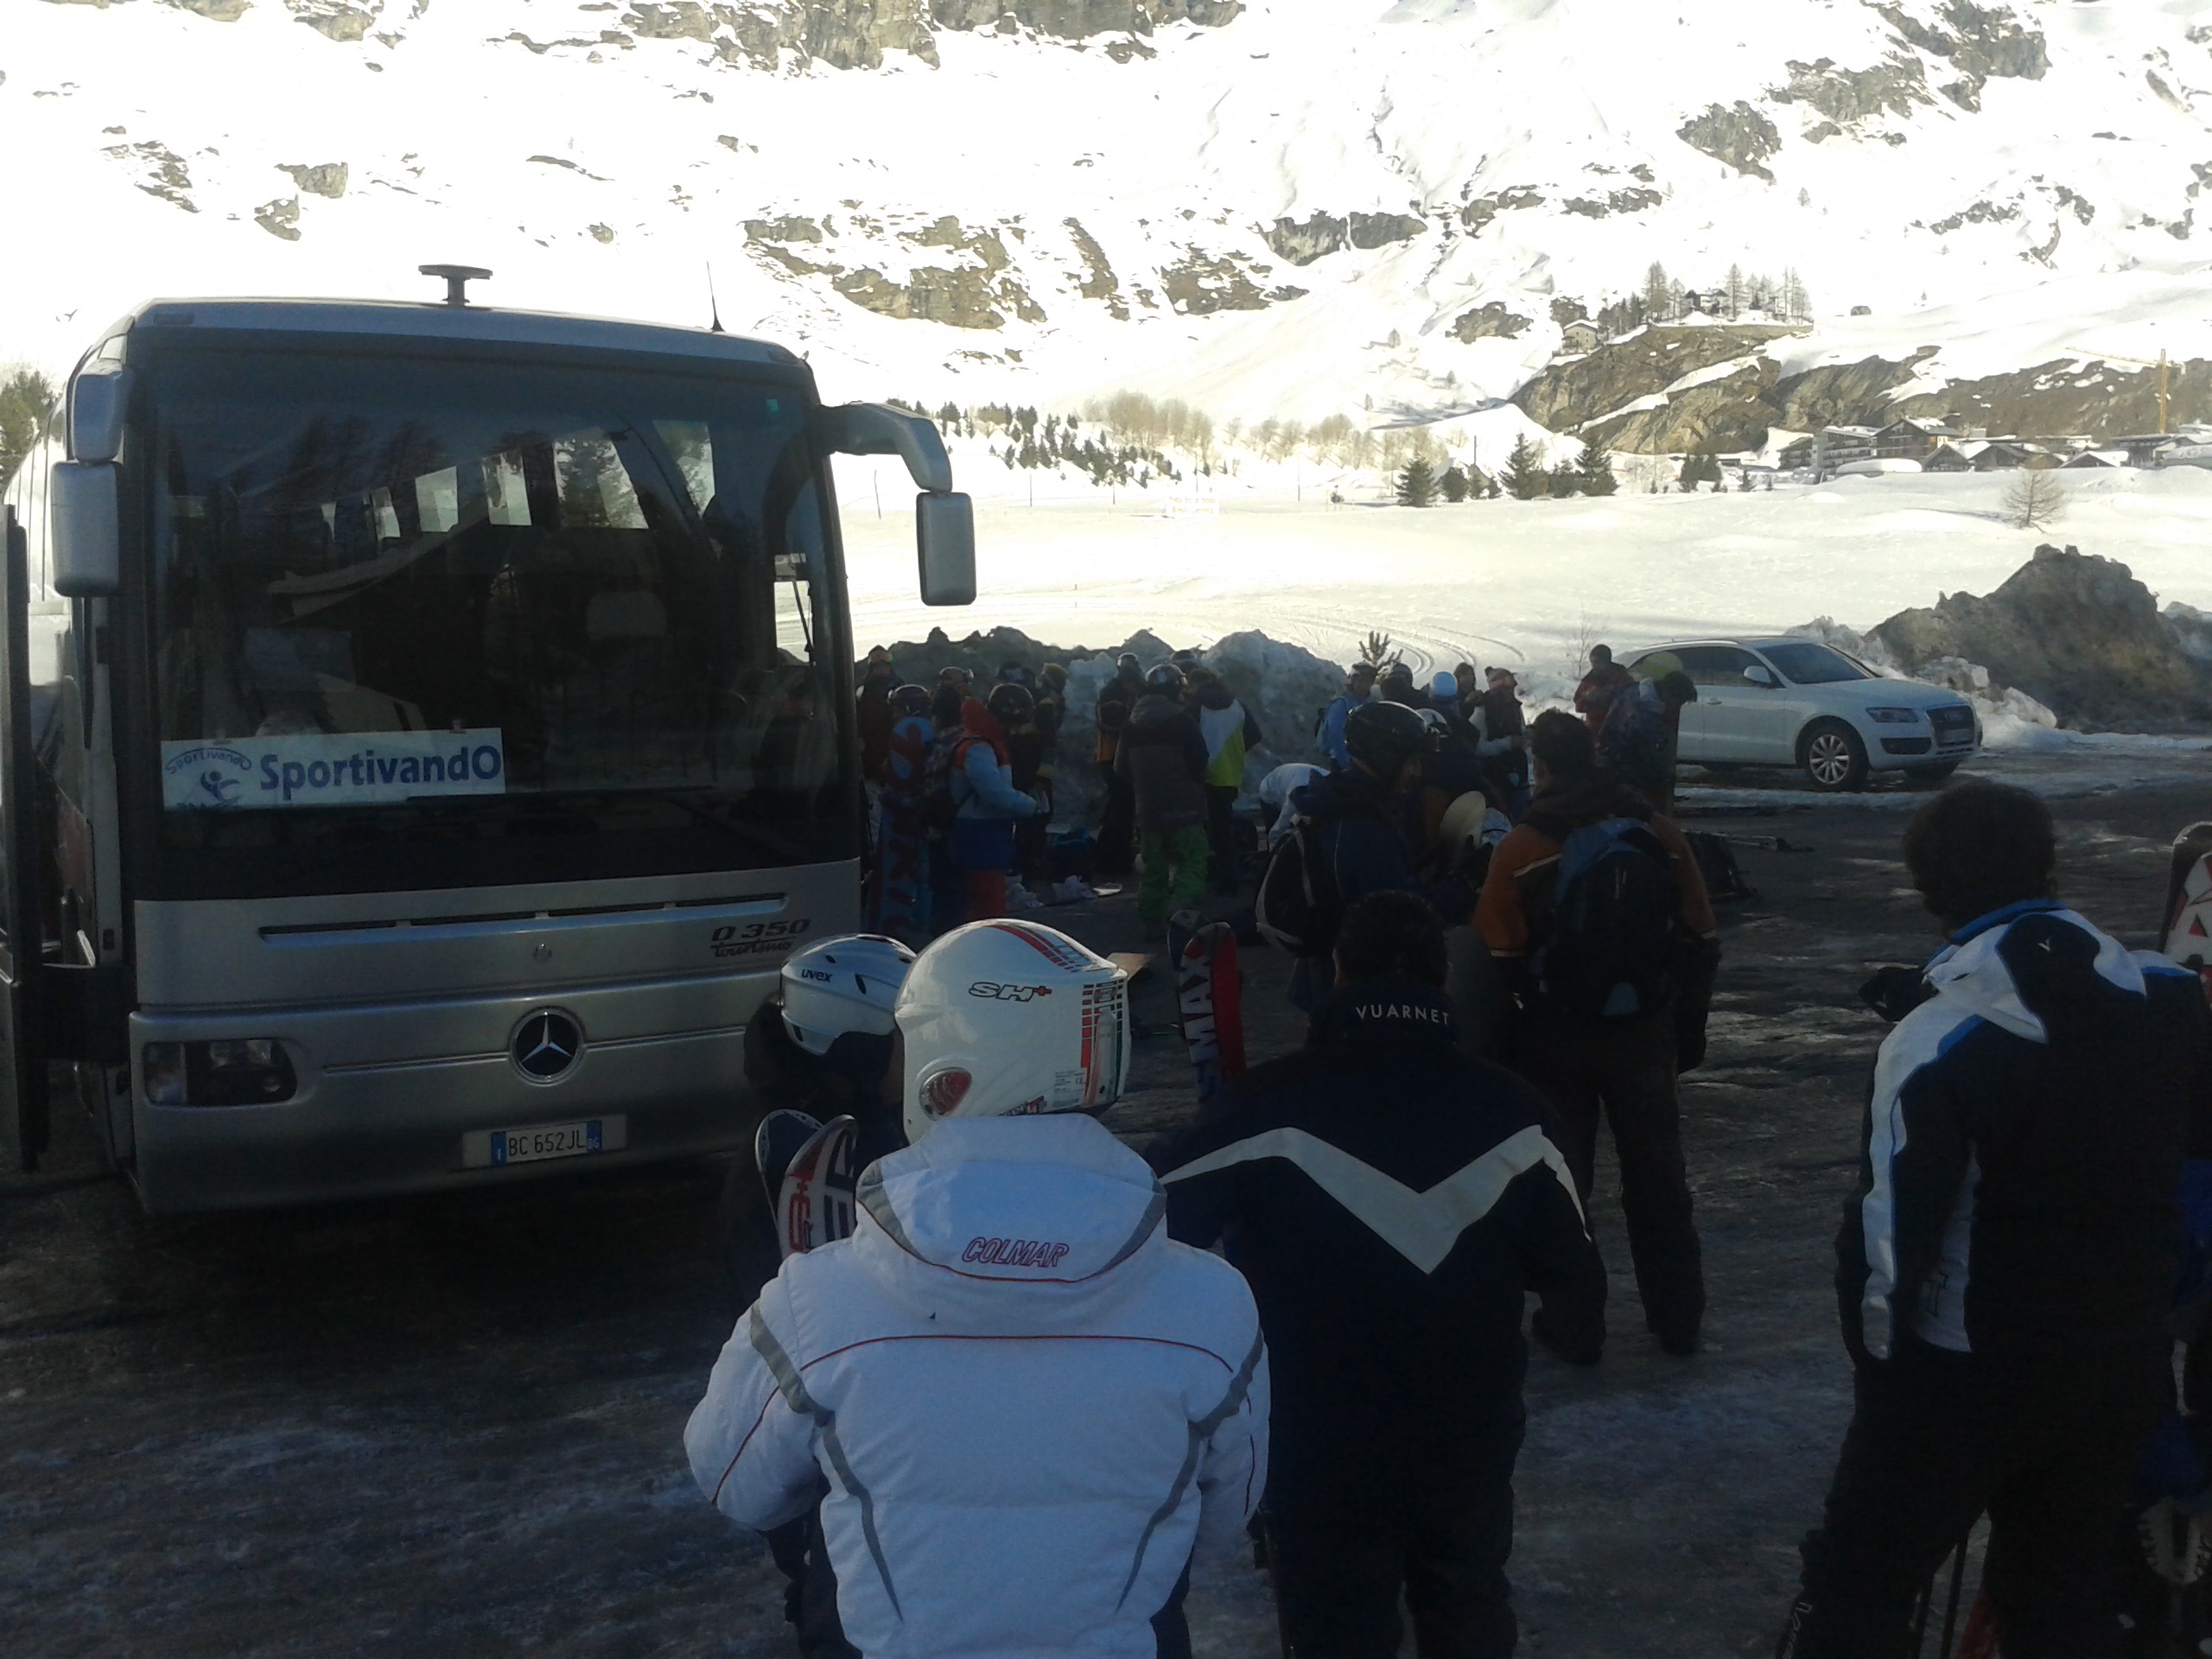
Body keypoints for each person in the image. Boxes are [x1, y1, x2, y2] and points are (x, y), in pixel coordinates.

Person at [686, 919, 1268, 1659]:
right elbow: (1221, 1517)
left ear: (946, 1071)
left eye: (903, 1044)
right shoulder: (1211, 1303)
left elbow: (733, 1482)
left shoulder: (816, 1302)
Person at [1777, 783, 2212, 1659]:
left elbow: (1888, 1248)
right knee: (2059, 1602)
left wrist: (1885, 1385)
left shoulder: (1935, 1043)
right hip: (2117, 1364)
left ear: (1927, 889)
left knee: (1859, 1592)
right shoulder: (2167, 999)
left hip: (1969, 1372)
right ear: (2046, 864)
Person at [1152, 891, 1605, 1659]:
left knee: (1335, 1622)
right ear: (1443, 980)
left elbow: (1146, 1221)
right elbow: (1572, 1271)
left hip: (1317, 1437)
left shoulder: (1267, 1107)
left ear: (1337, 971)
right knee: (1467, 1603)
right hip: (1468, 1432)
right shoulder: (1518, 1114)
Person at [1474, 710, 1719, 1356]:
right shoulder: (1656, 830)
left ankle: (1575, 1323)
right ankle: (1678, 1317)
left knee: (1564, 1180)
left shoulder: (1523, 846)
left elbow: (1497, 950)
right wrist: (1686, 1029)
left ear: (1540, 768)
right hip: (1645, 1030)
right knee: (1658, 1175)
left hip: (1555, 1036)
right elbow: (1701, 935)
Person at [718, 933, 917, 1657]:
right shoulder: (799, 1159)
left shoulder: (861, 1128)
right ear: (853, 1049)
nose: (921, 1057)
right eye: (906, 1042)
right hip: (825, 1469)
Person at [1274, 699, 1471, 1012]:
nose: (1417, 773)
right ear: (1385, 758)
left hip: (1327, 980)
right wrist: (1464, 885)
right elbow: (1405, 921)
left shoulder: (1345, 801)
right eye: (1412, 762)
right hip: (1354, 995)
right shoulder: (1362, 829)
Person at [1117, 663, 1212, 933]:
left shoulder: (1131, 725)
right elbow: (1200, 762)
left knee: (1153, 868)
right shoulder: (1182, 721)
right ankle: (1181, 912)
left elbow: (1120, 769)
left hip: (1148, 812)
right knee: (1192, 860)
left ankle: (1151, 921)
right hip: (1184, 808)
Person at [947, 684, 1044, 923]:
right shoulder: (980, 746)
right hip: (979, 832)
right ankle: (984, 943)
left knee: (983, 899)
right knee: (987, 903)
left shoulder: (982, 739)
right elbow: (994, 793)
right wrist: (1030, 805)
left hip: (982, 830)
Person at [868, 685, 937, 943]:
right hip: (928, 811)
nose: (894, 714)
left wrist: (893, 797)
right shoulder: (935, 726)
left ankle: (896, 927)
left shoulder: (909, 728)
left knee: (899, 873)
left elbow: (900, 776)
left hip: (903, 811)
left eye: (897, 708)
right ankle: (922, 923)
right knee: (926, 874)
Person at [1190, 667, 1264, 897]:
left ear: (1194, 685)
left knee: (1204, 827)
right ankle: (1228, 875)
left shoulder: (1195, 706)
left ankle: (1219, 877)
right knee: (1223, 826)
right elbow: (1255, 735)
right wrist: (1236, 750)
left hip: (1204, 773)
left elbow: (1186, 739)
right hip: (1230, 772)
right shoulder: (1237, 705)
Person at [1596, 671, 1697, 810]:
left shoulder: (1632, 688)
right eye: (1678, 702)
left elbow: (1598, 696)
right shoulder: (1645, 718)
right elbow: (1647, 759)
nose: (1677, 708)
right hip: (1623, 773)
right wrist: (1664, 777)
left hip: (1605, 760)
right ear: (1667, 694)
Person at [1094, 652, 1147, 875]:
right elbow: (1111, 723)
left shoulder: (1118, 693)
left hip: (1118, 756)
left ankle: (1115, 854)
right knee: (1121, 807)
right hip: (1112, 756)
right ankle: (1113, 857)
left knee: (1120, 806)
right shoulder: (1112, 695)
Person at [1476, 668, 1529, 819]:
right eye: (1506, 689)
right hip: (1494, 778)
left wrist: (1528, 738)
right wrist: (1508, 743)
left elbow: (1521, 731)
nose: (1511, 693)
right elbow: (1478, 748)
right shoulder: (1482, 711)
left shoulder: (1515, 708)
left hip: (1519, 772)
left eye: (1511, 689)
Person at [1320, 662, 1379, 769]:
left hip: (1359, 759)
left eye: (1367, 682)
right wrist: (1346, 763)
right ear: (1352, 680)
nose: (1363, 685)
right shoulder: (1342, 703)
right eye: (1360, 681)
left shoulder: (1368, 703)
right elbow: (1335, 735)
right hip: (1340, 760)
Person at [856, 647, 897, 784]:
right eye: (878, 665)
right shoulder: (862, 691)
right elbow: (856, 719)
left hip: (895, 744)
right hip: (870, 749)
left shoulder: (899, 688)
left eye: (885, 664)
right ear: (872, 667)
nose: (882, 668)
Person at [1573, 644, 1635, 735]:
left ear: (1606, 661)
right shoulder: (1589, 680)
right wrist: (1588, 699)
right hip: (1595, 730)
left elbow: (1631, 699)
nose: (1594, 665)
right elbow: (1578, 704)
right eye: (1592, 662)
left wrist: (1608, 695)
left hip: (1620, 729)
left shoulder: (1622, 677)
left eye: (1597, 662)